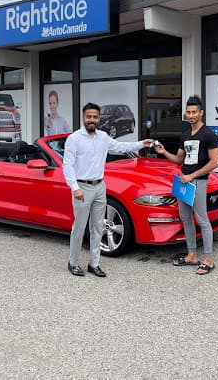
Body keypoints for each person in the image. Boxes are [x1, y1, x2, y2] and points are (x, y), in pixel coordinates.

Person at [63, 103, 154, 277]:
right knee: (79, 228)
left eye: (95, 117)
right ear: (83, 118)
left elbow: (121, 147)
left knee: (98, 227)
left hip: (99, 187)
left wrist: (142, 143)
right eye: (89, 116)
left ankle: (94, 264)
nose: (92, 120)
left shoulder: (103, 137)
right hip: (82, 187)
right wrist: (74, 187)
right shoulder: (74, 139)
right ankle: (73, 263)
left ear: (98, 119)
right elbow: (67, 165)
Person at [154, 95, 218, 276]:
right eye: (188, 112)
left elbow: (215, 162)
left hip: (198, 181)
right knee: (185, 217)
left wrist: (192, 175)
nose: (191, 115)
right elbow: (179, 159)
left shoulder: (208, 135)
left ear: (201, 113)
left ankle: (208, 259)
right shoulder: (185, 134)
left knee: (202, 219)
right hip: (184, 181)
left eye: (194, 112)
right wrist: (163, 151)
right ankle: (192, 255)